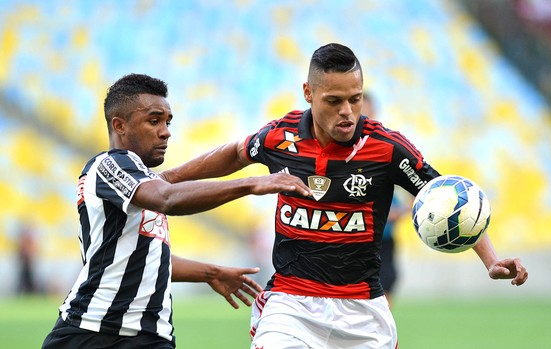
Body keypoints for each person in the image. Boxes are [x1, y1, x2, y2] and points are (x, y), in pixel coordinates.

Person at [162, 43, 529, 349]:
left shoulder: (387, 147)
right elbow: (236, 152)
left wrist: (491, 260)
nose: (347, 112)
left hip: (363, 309)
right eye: (334, 101)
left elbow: (448, 199)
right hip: (292, 303)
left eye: (354, 99)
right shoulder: (281, 136)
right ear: (308, 93)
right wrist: (167, 178)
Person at [41, 73, 312, 349]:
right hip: (90, 331)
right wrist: (252, 183)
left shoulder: (142, 180)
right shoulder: (108, 165)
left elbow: (148, 257)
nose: (166, 131)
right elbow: (167, 198)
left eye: (168, 122)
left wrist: (211, 273)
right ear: (119, 125)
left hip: (151, 335)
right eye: (154, 120)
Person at [361, 92, 410, 305]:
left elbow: (415, 192)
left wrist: (401, 211)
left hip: (385, 239)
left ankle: (380, 329)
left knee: (386, 283)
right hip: (357, 238)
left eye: (367, 111)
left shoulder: (387, 148)